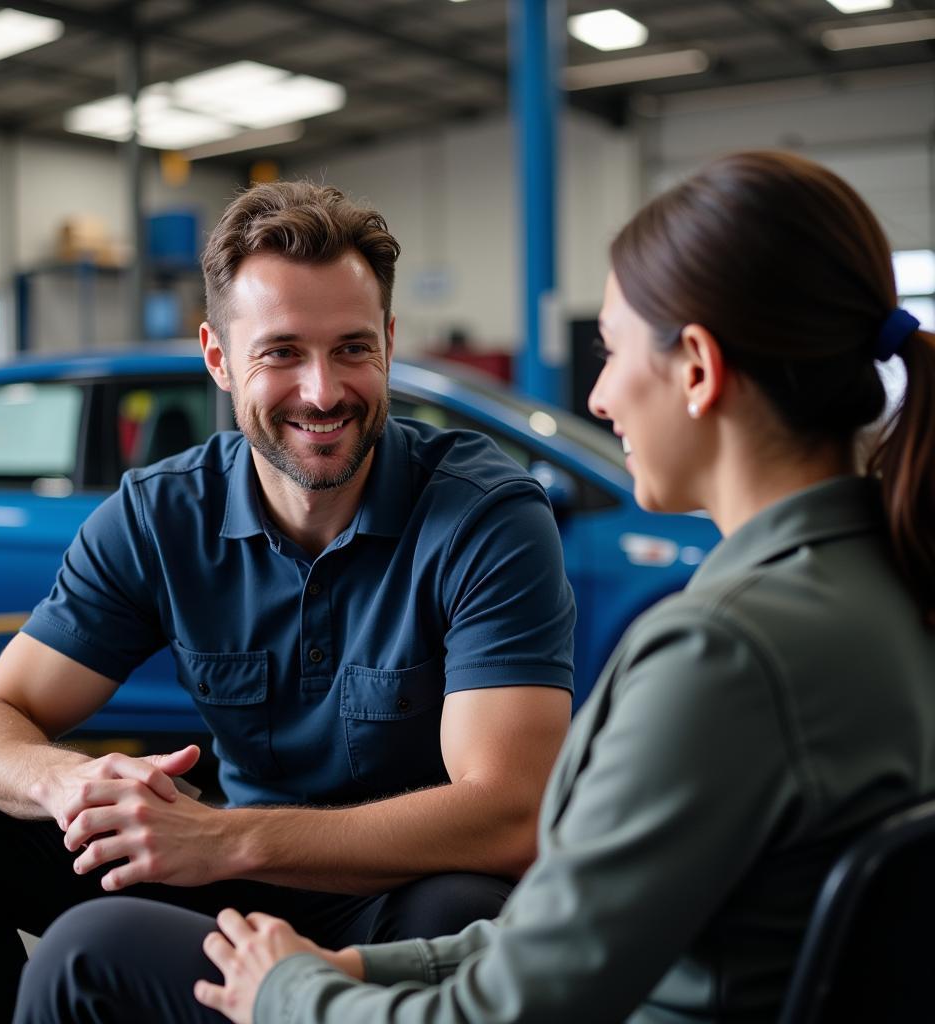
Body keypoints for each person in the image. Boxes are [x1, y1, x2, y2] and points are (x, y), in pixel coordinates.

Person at [132, 149, 935, 1023]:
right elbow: (583, 925)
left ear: (697, 369)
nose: (598, 396)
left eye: (613, 349)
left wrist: (289, 991)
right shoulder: (885, 582)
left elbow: (514, 1012)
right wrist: (359, 966)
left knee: (90, 960)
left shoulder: (724, 652)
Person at [0, 182, 577, 1022]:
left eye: (352, 350)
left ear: (391, 345)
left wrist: (222, 838)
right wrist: (73, 784)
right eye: (283, 352)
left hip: (403, 893)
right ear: (218, 358)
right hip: (227, 881)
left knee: (471, 909)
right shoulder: (161, 514)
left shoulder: (485, 516)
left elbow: (510, 814)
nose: (323, 391)